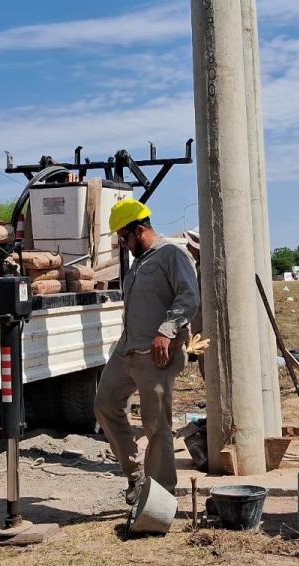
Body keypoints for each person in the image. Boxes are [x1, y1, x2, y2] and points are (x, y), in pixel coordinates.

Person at [94, 199, 200, 502]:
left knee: (156, 426)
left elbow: (189, 297)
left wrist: (166, 331)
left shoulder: (171, 255)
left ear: (139, 230)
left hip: (157, 355)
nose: (123, 245)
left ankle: (160, 496)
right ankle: (135, 476)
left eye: (124, 238)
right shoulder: (139, 262)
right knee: (105, 404)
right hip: (127, 349)